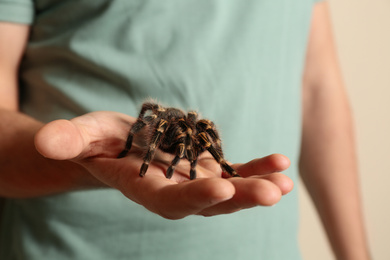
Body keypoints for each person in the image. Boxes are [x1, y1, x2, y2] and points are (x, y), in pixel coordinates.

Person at [0, 0, 370, 259]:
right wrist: (93, 157)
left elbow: (318, 91)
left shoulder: (196, 131)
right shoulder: (158, 122)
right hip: (71, 247)